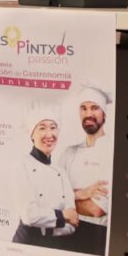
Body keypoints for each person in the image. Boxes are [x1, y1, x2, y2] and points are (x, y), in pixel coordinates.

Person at [54, 85, 113, 256]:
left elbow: (96, 209)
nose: (89, 114)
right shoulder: (68, 152)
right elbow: (49, 196)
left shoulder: (112, 151)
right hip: (62, 233)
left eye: (95, 108)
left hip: (94, 236)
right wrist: (84, 193)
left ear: (104, 114)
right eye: (84, 108)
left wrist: (65, 201)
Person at [12, 101, 79, 248]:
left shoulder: (61, 171)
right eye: (42, 128)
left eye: (53, 127)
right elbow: (29, 215)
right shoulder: (22, 165)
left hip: (54, 243)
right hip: (26, 243)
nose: (49, 134)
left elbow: (73, 220)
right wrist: (62, 216)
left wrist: (54, 223)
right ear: (32, 135)